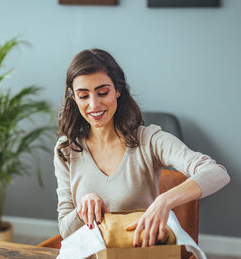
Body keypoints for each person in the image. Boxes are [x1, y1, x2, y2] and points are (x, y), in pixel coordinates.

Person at [54, 49, 230, 247]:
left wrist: (164, 201)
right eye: (83, 95)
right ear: (74, 98)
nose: (94, 104)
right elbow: (65, 230)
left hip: (139, 257)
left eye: (102, 92)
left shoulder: (149, 140)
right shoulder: (66, 148)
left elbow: (217, 173)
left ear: (118, 90)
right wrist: (81, 209)